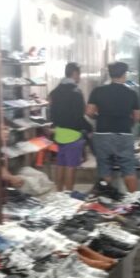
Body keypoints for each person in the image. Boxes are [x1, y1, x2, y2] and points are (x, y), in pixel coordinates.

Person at [87, 62, 140, 193]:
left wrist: (98, 118)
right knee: (128, 168)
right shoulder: (131, 94)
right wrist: (128, 123)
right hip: (124, 133)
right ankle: (134, 200)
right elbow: (137, 117)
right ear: (124, 74)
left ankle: (107, 199)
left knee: (104, 169)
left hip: (102, 134)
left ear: (110, 74)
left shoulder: (98, 91)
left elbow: (89, 112)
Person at [49, 62, 91, 191]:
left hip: (59, 133)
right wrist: (89, 129)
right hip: (73, 134)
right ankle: (68, 196)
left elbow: (51, 112)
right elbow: (81, 114)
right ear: (74, 74)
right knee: (71, 166)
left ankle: (59, 193)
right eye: (79, 75)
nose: (79, 78)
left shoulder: (54, 92)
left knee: (60, 163)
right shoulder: (76, 92)